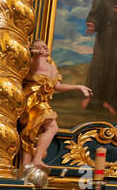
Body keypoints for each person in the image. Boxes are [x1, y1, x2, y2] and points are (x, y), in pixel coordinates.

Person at [19, 40, 91, 170]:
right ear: (33, 49)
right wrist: (36, 55)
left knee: (33, 131)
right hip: (33, 99)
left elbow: (57, 86)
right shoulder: (33, 60)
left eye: (45, 45)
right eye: (40, 46)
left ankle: (28, 163)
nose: (44, 47)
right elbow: (34, 69)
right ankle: (34, 160)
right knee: (49, 128)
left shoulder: (51, 63)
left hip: (43, 101)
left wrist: (78, 87)